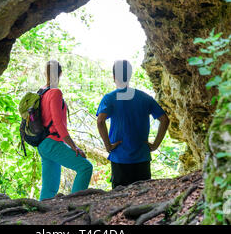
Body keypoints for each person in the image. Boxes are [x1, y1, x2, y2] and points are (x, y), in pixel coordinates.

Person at [96, 60, 170, 189]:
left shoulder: (110, 98)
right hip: (142, 156)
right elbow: (164, 120)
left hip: (119, 157)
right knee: (143, 195)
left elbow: (100, 121)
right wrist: (155, 144)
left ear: (114, 77)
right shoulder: (144, 97)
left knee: (120, 197)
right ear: (129, 76)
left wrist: (108, 145)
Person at [37, 60, 93, 200]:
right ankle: (75, 203)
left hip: (42, 144)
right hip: (53, 143)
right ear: (60, 73)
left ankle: (42, 214)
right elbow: (58, 123)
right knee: (85, 167)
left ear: (46, 73)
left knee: (49, 188)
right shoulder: (55, 92)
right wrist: (74, 147)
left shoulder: (42, 92)